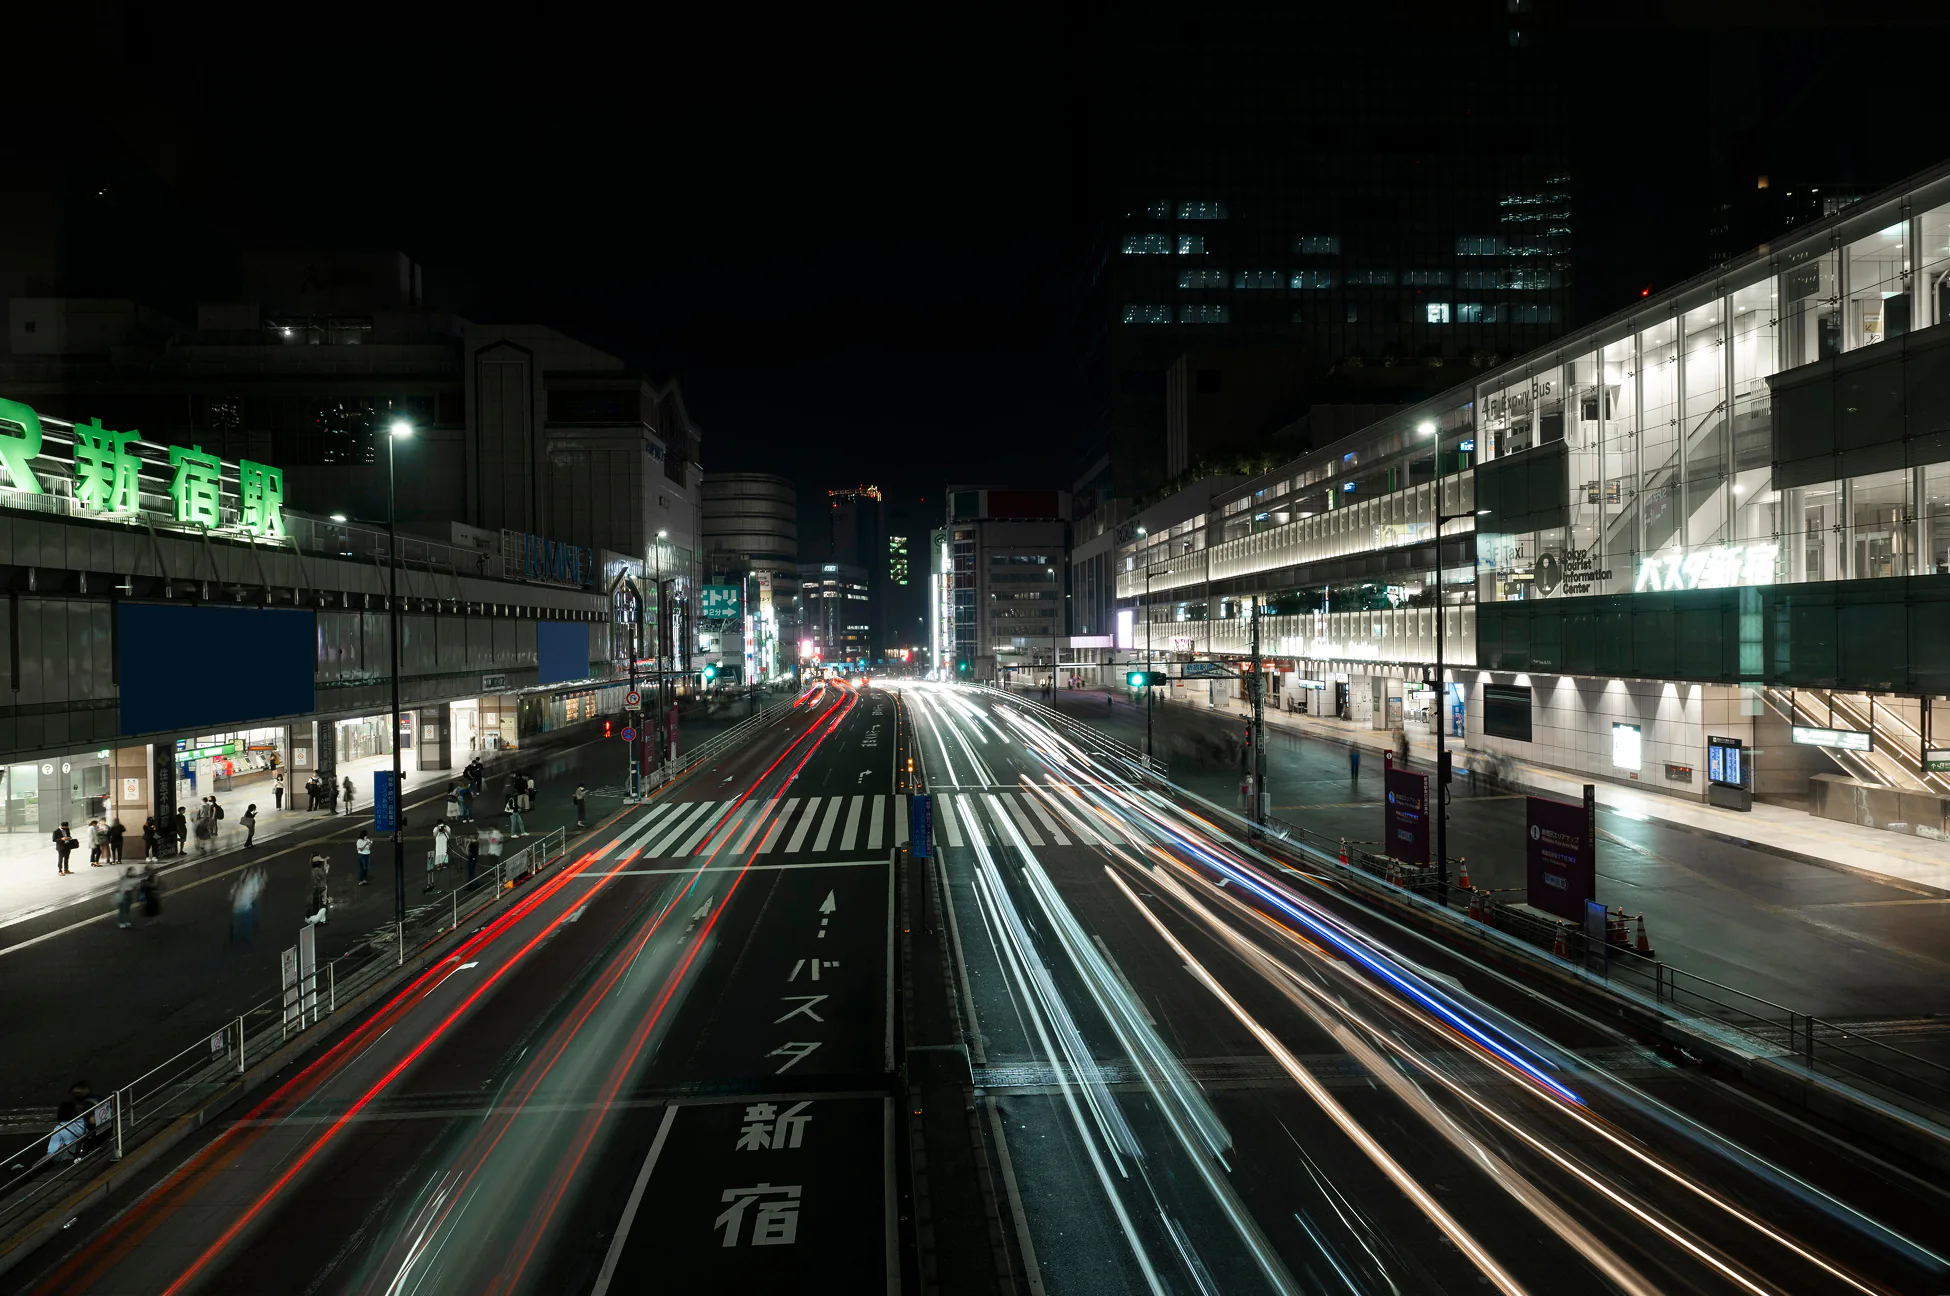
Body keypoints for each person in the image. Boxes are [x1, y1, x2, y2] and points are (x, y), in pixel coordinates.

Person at [229, 866, 263, 945]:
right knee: (245, 928)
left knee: (238, 929)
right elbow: (255, 895)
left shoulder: (238, 884)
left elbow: (231, 896)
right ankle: (245, 942)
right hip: (244, 909)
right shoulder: (251, 883)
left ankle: (238, 942)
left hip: (238, 909)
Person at [306, 855, 330, 924]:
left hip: (316, 888)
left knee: (317, 904)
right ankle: (322, 919)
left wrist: (325, 861)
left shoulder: (313, 870)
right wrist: (327, 869)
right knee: (323, 903)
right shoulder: (318, 870)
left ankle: (318, 918)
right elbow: (325, 876)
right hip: (322, 887)